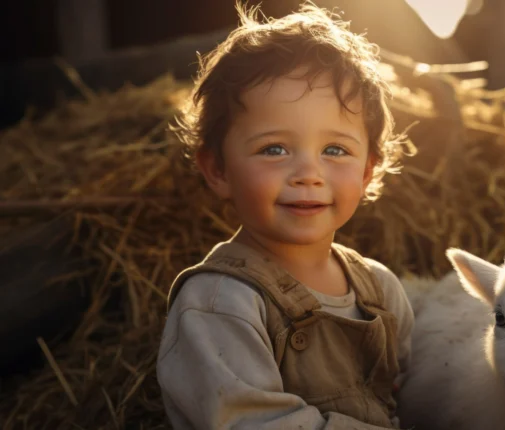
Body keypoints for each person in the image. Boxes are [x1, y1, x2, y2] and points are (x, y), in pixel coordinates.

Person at [155, 2, 415, 429]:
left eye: (336, 150)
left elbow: (416, 397)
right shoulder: (220, 303)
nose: (308, 174)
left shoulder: (381, 290)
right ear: (217, 169)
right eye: (274, 149)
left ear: (368, 171)